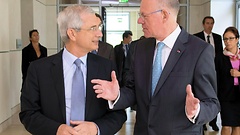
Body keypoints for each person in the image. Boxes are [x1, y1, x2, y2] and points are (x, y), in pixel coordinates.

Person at [91, 0, 220, 134]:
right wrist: (117, 95)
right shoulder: (139, 48)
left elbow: (212, 103)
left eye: (144, 16)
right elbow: (133, 90)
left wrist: (196, 110)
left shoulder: (199, 50)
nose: (139, 21)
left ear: (164, 15)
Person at [19, 5, 126, 135]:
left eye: (99, 27)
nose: (99, 33)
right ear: (72, 34)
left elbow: (118, 113)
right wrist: (56, 130)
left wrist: (96, 128)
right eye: (93, 28)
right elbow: (28, 113)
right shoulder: (39, 69)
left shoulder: (106, 67)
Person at [194, 16, 223, 131]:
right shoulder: (197, 37)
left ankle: (213, 121)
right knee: (202, 94)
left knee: (213, 94)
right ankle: (202, 122)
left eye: (211, 23)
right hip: (201, 70)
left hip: (215, 70)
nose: (209, 25)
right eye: (207, 23)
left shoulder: (217, 37)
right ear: (203, 24)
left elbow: (220, 55)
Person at [215, 26, 240, 135]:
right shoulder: (220, 57)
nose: (227, 41)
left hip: (239, 95)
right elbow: (216, 77)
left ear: (237, 39)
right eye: (225, 39)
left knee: (238, 126)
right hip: (225, 96)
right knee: (226, 125)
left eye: (230, 38)